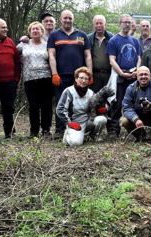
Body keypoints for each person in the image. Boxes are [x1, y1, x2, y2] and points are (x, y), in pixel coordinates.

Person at [48, 9, 92, 139]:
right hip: (60, 76)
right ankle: (60, 130)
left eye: (70, 18)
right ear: (61, 19)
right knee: (60, 103)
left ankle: (77, 128)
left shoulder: (82, 35)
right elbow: (51, 55)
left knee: (78, 103)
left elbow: (88, 55)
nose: (67, 20)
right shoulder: (55, 35)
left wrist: (89, 75)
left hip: (79, 78)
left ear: (73, 19)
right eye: (65, 18)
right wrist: (54, 73)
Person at [107, 14, 142, 136]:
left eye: (129, 22)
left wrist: (137, 71)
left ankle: (135, 128)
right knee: (118, 102)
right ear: (120, 23)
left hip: (133, 76)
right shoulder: (114, 40)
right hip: (120, 76)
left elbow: (138, 58)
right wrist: (121, 73)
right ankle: (114, 129)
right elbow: (112, 60)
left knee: (134, 102)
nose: (127, 24)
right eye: (124, 22)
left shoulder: (135, 41)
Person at [17, 22, 53, 138]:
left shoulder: (48, 45)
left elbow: (53, 59)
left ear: (42, 32)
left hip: (46, 79)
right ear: (30, 32)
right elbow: (13, 55)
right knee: (33, 106)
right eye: (33, 29)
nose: (35, 31)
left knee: (46, 106)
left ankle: (46, 130)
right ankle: (34, 132)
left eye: (38, 29)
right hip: (29, 79)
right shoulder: (23, 44)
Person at [56, 67, 107, 146]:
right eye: (81, 78)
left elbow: (95, 107)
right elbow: (60, 109)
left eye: (86, 79)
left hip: (87, 122)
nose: (83, 81)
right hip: (74, 123)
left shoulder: (91, 93)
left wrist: (101, 108)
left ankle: (93, 135)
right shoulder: (69, 91)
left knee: (102, 119)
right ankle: (67, 136)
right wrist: (69, 123)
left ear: (89, 81)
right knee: (76, 143)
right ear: (76, 79)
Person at [88, 15, 114, 93]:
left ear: (105, 25)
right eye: (97, 23)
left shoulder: (112, 38)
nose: (99, 25)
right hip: (94, 75)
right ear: (93, 25)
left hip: (108, 74)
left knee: (109, 97)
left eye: (101, 23)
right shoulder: (89, 38)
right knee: (94, 98)